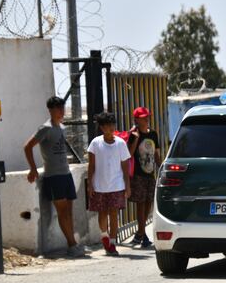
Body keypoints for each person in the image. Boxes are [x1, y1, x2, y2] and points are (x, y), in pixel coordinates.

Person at [23, 96, 85, 258]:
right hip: (54, 176)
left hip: (66, 174)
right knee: (62, 212)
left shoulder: (62, 128)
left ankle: (73, 244)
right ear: (50, 110)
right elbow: (28, 146)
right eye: (57, 109)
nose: (61, 112)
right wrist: (32, 169)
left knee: (69, 212)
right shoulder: (45, 128)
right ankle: (72, 245)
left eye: (62, 108)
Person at [87, 112, 131, 256]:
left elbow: (125, 166)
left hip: (117, 185)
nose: (110, 128)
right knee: (102, 214)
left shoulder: (121, 143)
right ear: (101, 127)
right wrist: (90, 184)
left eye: (112, 124)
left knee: (113, 214)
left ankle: (112, 243)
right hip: (100, 184)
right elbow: (91, 165)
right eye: (107, 125)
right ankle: (104, 235)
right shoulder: (95, 143)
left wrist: (127, 185)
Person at [127, 107, 161, 248]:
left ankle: (140, 234)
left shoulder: (153, 134)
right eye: (143, 117)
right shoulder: (133, 135)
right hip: (138, 175)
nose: (146, 119)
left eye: (147, 116)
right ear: (136, 119)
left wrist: (162, 167)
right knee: (140, 205)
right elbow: (129, 153)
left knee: (148, 204)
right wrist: (135, 137)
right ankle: (142, 234)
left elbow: (156, 154)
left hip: (150, 174)